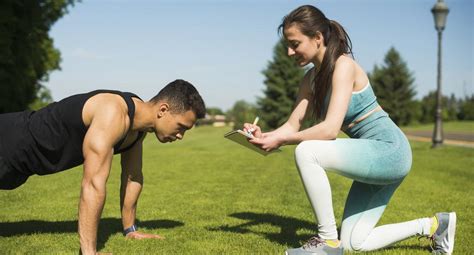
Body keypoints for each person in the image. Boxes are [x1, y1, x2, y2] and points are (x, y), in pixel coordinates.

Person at [244, 5, 456, 255]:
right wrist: (264, 136)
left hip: (389, 150)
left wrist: (283, 140)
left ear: (318, 38)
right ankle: (434, 225)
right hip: (371, 155)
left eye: (295, 43)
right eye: (287, 46)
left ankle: (327, 242)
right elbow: (292, 125)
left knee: (306, 151)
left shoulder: (343, 66)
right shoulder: (310, 79)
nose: (290, 52)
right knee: (355, 242)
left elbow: (330, 130)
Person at [0, 79, 206, 254]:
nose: (180, 136)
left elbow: (133, 176)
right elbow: (93, 183)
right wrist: (89, 252)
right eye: (181, 127)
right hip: (7, 143)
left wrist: (130, 229)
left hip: (20, 165)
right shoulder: (113, 113)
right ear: (163, 110)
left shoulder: (137, 129)